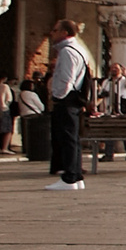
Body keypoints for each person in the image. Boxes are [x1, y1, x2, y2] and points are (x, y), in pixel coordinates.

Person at [42, 19, 90, 190]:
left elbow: (65, 79)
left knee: (67, 138)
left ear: (64, 32)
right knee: (72, 138)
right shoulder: (79, 50)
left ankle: (69, 178)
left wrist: (57, 96)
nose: (52, 33)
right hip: (73, 99)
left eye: (55, 30)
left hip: (67, 99)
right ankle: (76, 176)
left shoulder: (67, 52)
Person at [0, 74, 17, 156]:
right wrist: (5, 106)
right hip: (4, 109)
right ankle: (4, 148)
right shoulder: (5, 86)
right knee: (8, 129)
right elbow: (6, 98)